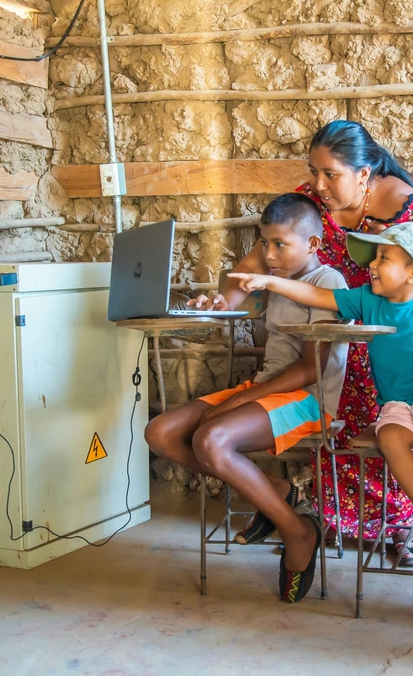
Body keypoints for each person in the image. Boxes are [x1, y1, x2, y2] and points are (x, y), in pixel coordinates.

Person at [189, 120, 413, 566]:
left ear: (364, 174)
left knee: (388, 429)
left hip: (383, 339)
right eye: (314, 171)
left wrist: (398, 251)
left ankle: (399, 527)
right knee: (336, 434)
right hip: (328, 339)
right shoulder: (311, 202)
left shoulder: (398, 202)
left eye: (331, 174)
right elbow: (252, 267)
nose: (318, 184)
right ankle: (333, 519)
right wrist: (220, 300)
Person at [229, 222, 413, 575]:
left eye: (384, 258)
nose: (372, 266)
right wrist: (270, 281)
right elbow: (315, 296)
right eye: (374, 258)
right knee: (390, 438)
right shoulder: (367, 300)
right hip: (398, 404)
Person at [144, 193, 349, 603]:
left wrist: (241, 401)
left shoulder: (327, 283)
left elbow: (312, 369)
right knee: (162, 432)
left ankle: (297, 531)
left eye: (280, 244)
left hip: (309, 399)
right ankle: (280, 492)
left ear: (312, 244)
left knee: (210, 439)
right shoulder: (275, 280)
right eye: (265, 244)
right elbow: (231, 298)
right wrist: (214, 305)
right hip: (266, 388)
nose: (270, 255)